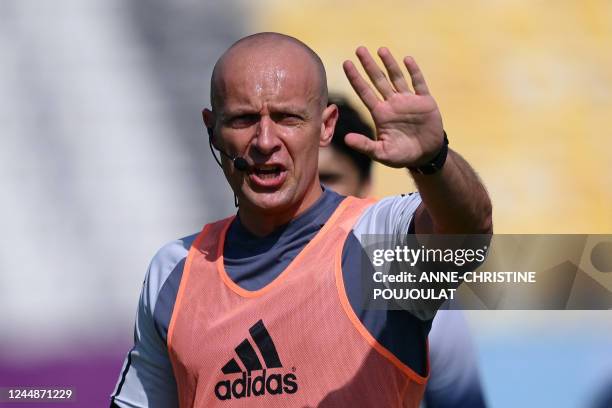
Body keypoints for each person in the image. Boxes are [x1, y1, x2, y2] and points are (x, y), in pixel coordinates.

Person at [110, 32, 492, 407]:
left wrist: (434, 161)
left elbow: (467, 232)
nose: (264, 141)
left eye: (287, 118)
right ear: (212, 129)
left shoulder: (375, 240)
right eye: (243, 119)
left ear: (326, 126)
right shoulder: (174, 270)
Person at [319, 96, 488, 408]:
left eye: (329, 178)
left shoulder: (409, 281)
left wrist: (433, 160)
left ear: (366, 181)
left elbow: (461, 402)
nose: (318, 195)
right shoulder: (214, 268)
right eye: (308, 181)